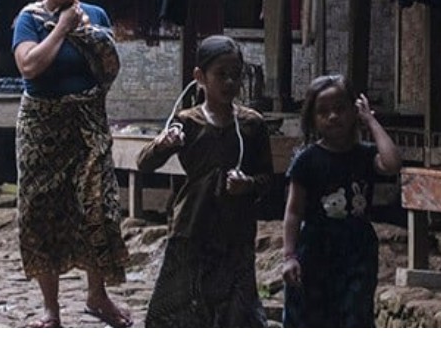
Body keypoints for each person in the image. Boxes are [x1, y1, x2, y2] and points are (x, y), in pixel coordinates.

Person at [11, 0, 131, 328]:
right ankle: (51, 309)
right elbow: (29, 67)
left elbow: (109, 68)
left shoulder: (95, 15)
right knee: (41, 212)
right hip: (41, 129)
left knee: (98, 208)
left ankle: (98, 295)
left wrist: (89, 34)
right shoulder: (29, 19)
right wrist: (61, 29)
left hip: (87, 127)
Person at [136, 35, 273, 327]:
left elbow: (268, 180)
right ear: (200, 77)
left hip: (236, 232)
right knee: (184, 308)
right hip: (191, 228)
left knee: (237, 312)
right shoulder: (187, 122)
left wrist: (247, 184)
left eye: (235, 76)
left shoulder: (252, 124)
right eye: (220, 75)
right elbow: (144, 163)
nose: (229, 83)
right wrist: (163, 144)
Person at [281, 74, 403, 327]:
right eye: (323, 111)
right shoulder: (307, 160)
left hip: (357, 249)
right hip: (315, 249)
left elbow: (392, 163)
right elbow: (293, 212)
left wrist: (370, 120)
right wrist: (289, 255)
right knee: (310, 317)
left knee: (354, 315)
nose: (333, 116)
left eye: (340, 109)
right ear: (312, 118)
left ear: (353, 111)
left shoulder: (365, 155)